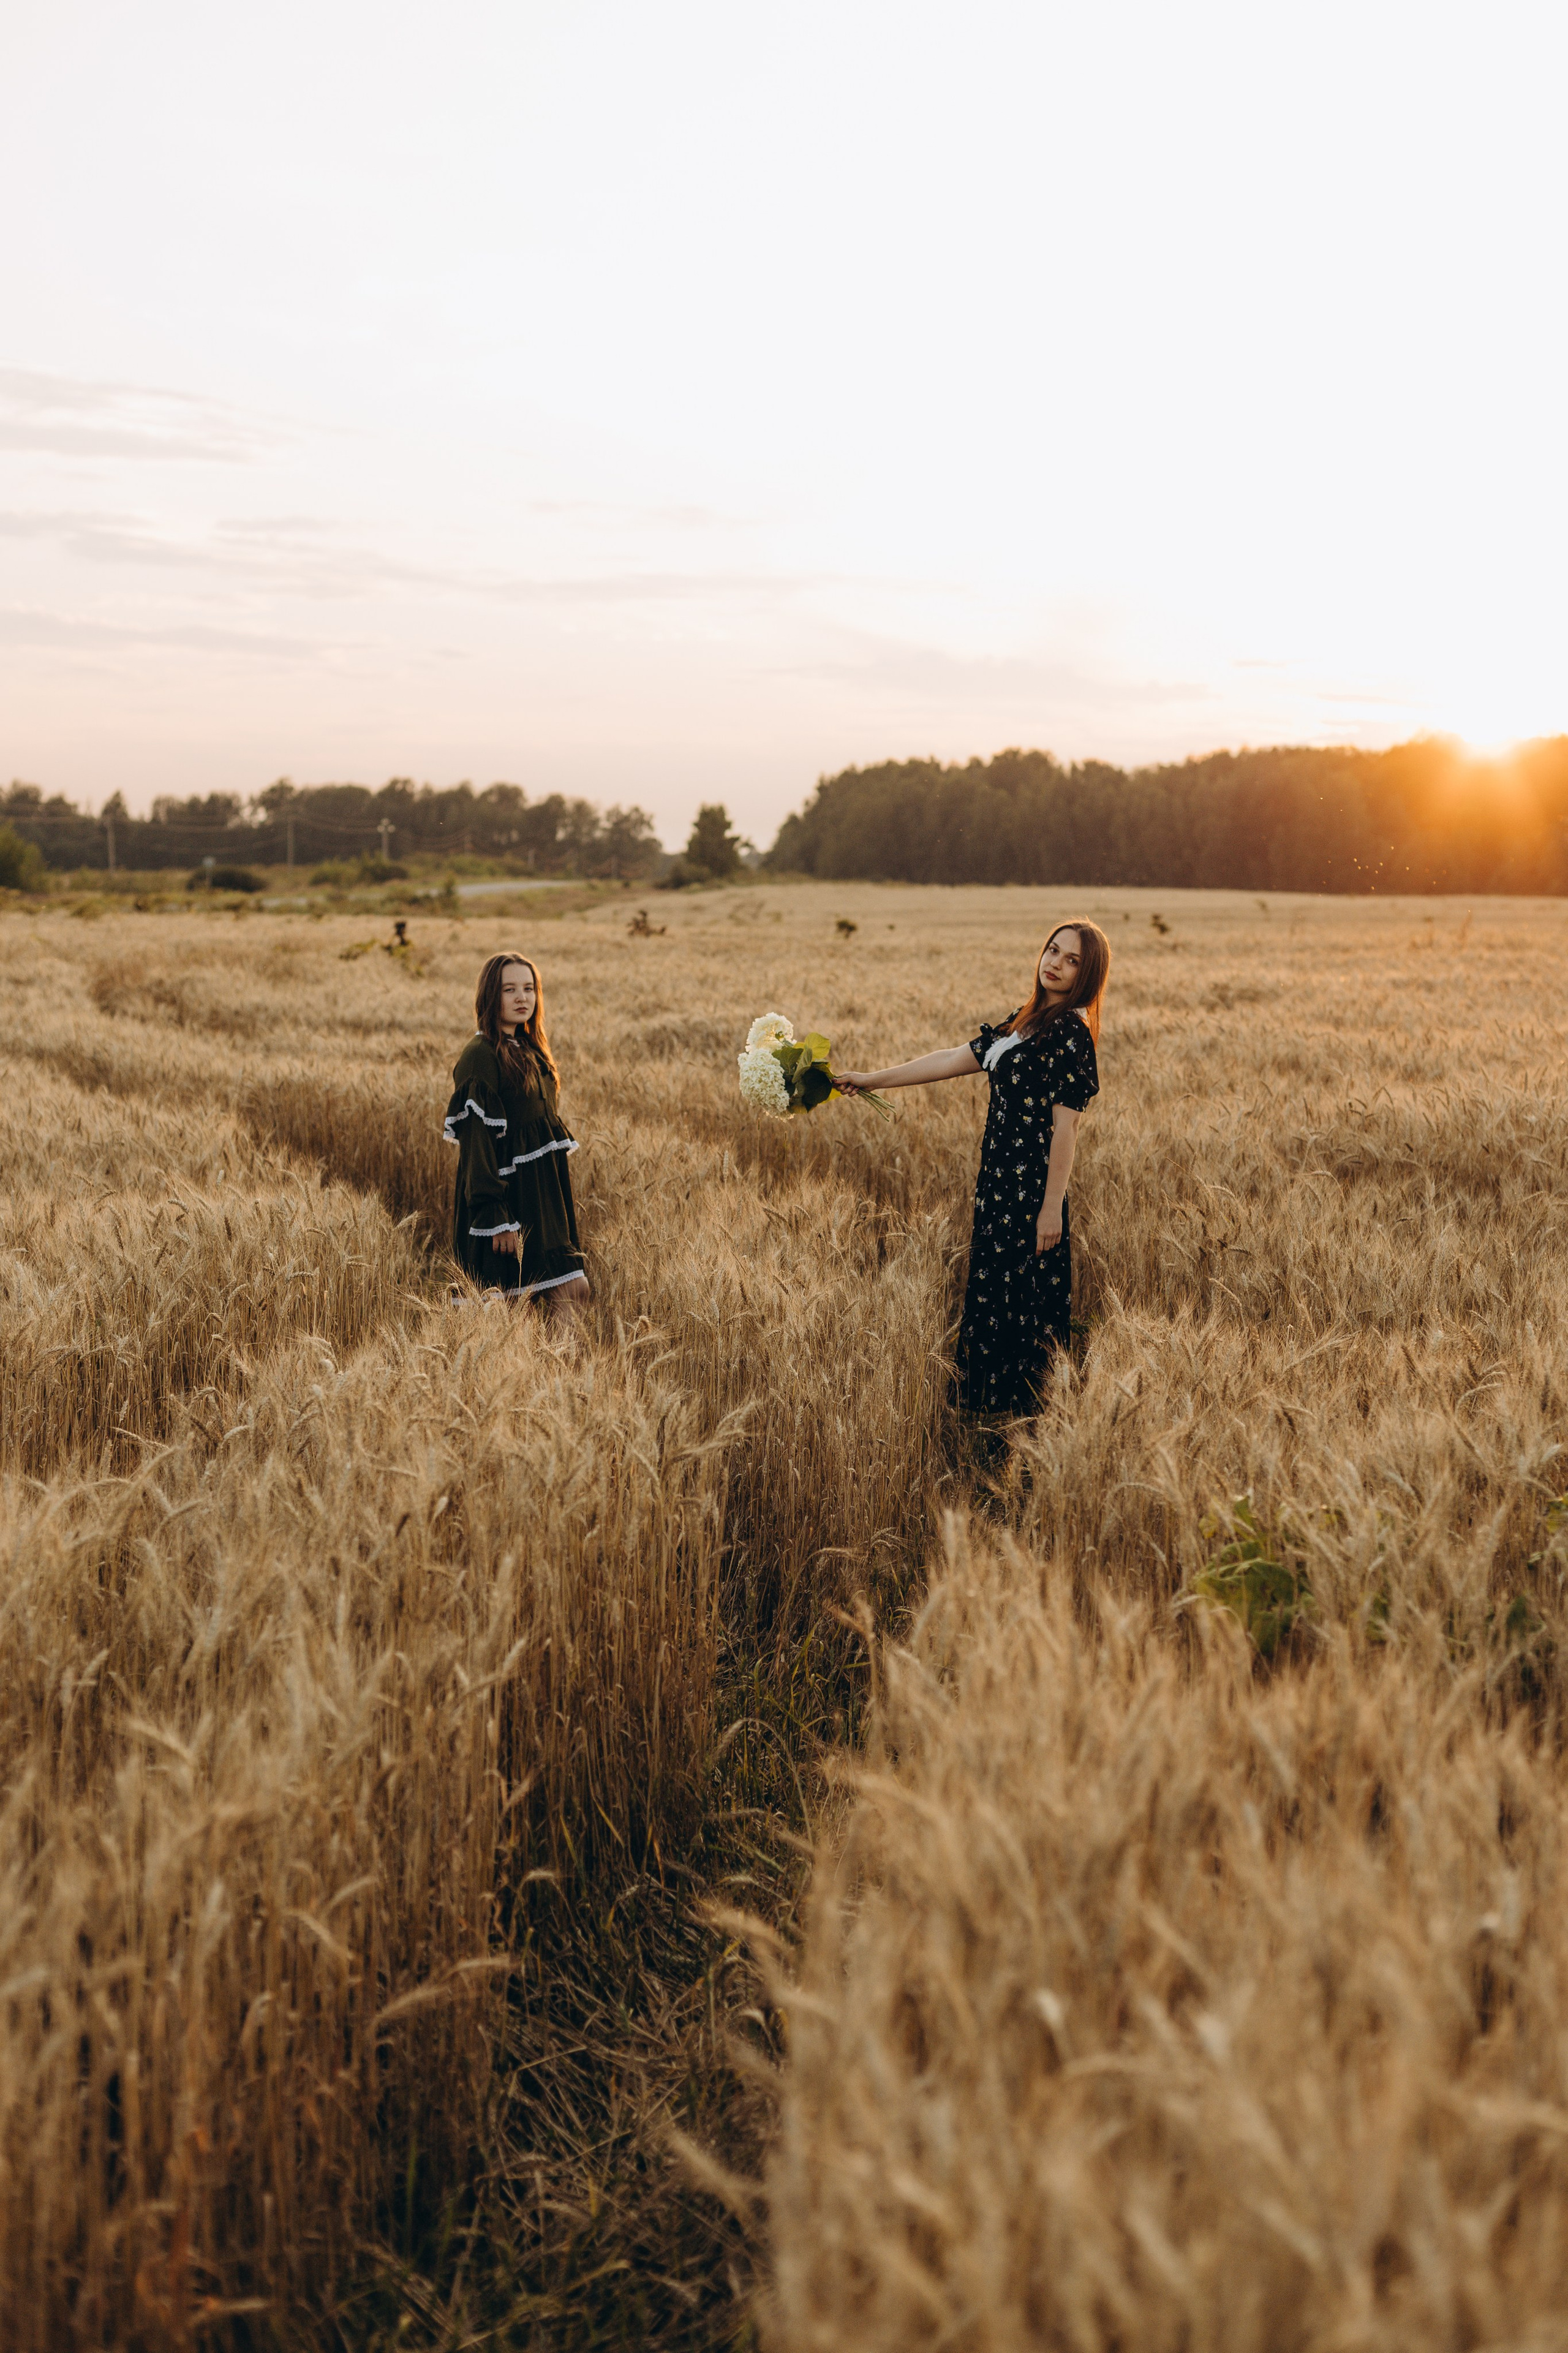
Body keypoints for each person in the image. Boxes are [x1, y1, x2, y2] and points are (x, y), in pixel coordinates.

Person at [837, 920, 1110, 1413]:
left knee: (1024, 1304)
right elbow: (949, 1058)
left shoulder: (1072, 1033)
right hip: (997, 1186)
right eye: (1053, 950)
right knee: (993, 1294)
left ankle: (1030, 1422)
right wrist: (872, 1079)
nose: (1056, 963)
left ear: (1086, 974)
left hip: (1030, 1191)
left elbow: (1066, 1130)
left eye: (1072, 960)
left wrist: (1053, 1209)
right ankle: (986, 1417)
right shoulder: (1024, 1020)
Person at [442, 952, 589, 1320]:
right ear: (491, 996)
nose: (522, 998)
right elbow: (477, 1145)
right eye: (510, 990)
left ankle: (557, 1376)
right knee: (506, 1310)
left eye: (529, 988)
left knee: (571, 1290)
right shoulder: (480, 1056)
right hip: (509, 1203)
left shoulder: (529, 1048)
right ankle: (521, 1375)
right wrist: (496, 1216)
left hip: (542, 1197)